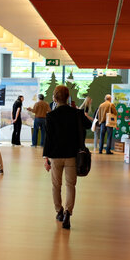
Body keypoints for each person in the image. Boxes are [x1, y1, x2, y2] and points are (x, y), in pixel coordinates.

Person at [43, 85, 91, 229]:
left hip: (56, 156)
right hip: (72, 155)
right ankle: (68, 213)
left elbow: (48, 139)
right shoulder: (76, 113)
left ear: (55, 98)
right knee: (71, 186)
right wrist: (82, 112)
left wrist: (46, 158)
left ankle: (59, 211)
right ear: (68, 97)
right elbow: (88, 125)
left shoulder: (51, 116)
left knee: (56, 186)